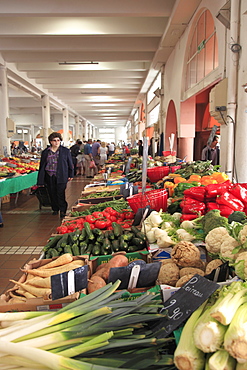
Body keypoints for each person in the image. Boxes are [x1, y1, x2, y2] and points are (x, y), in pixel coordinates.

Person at [37, 132, 74, 218]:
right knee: (52, 193)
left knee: (60, 193)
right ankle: (55, 208)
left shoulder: (65, 151)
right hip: (49, 175)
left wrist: (71, 174)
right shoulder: (46, 152)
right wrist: (41, 178)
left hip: (61, 175)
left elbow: (70, 163)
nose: (57, 142)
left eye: (58, 140)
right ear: (50, 141)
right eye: (54, 140)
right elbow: (42, 165)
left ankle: (63, 210)